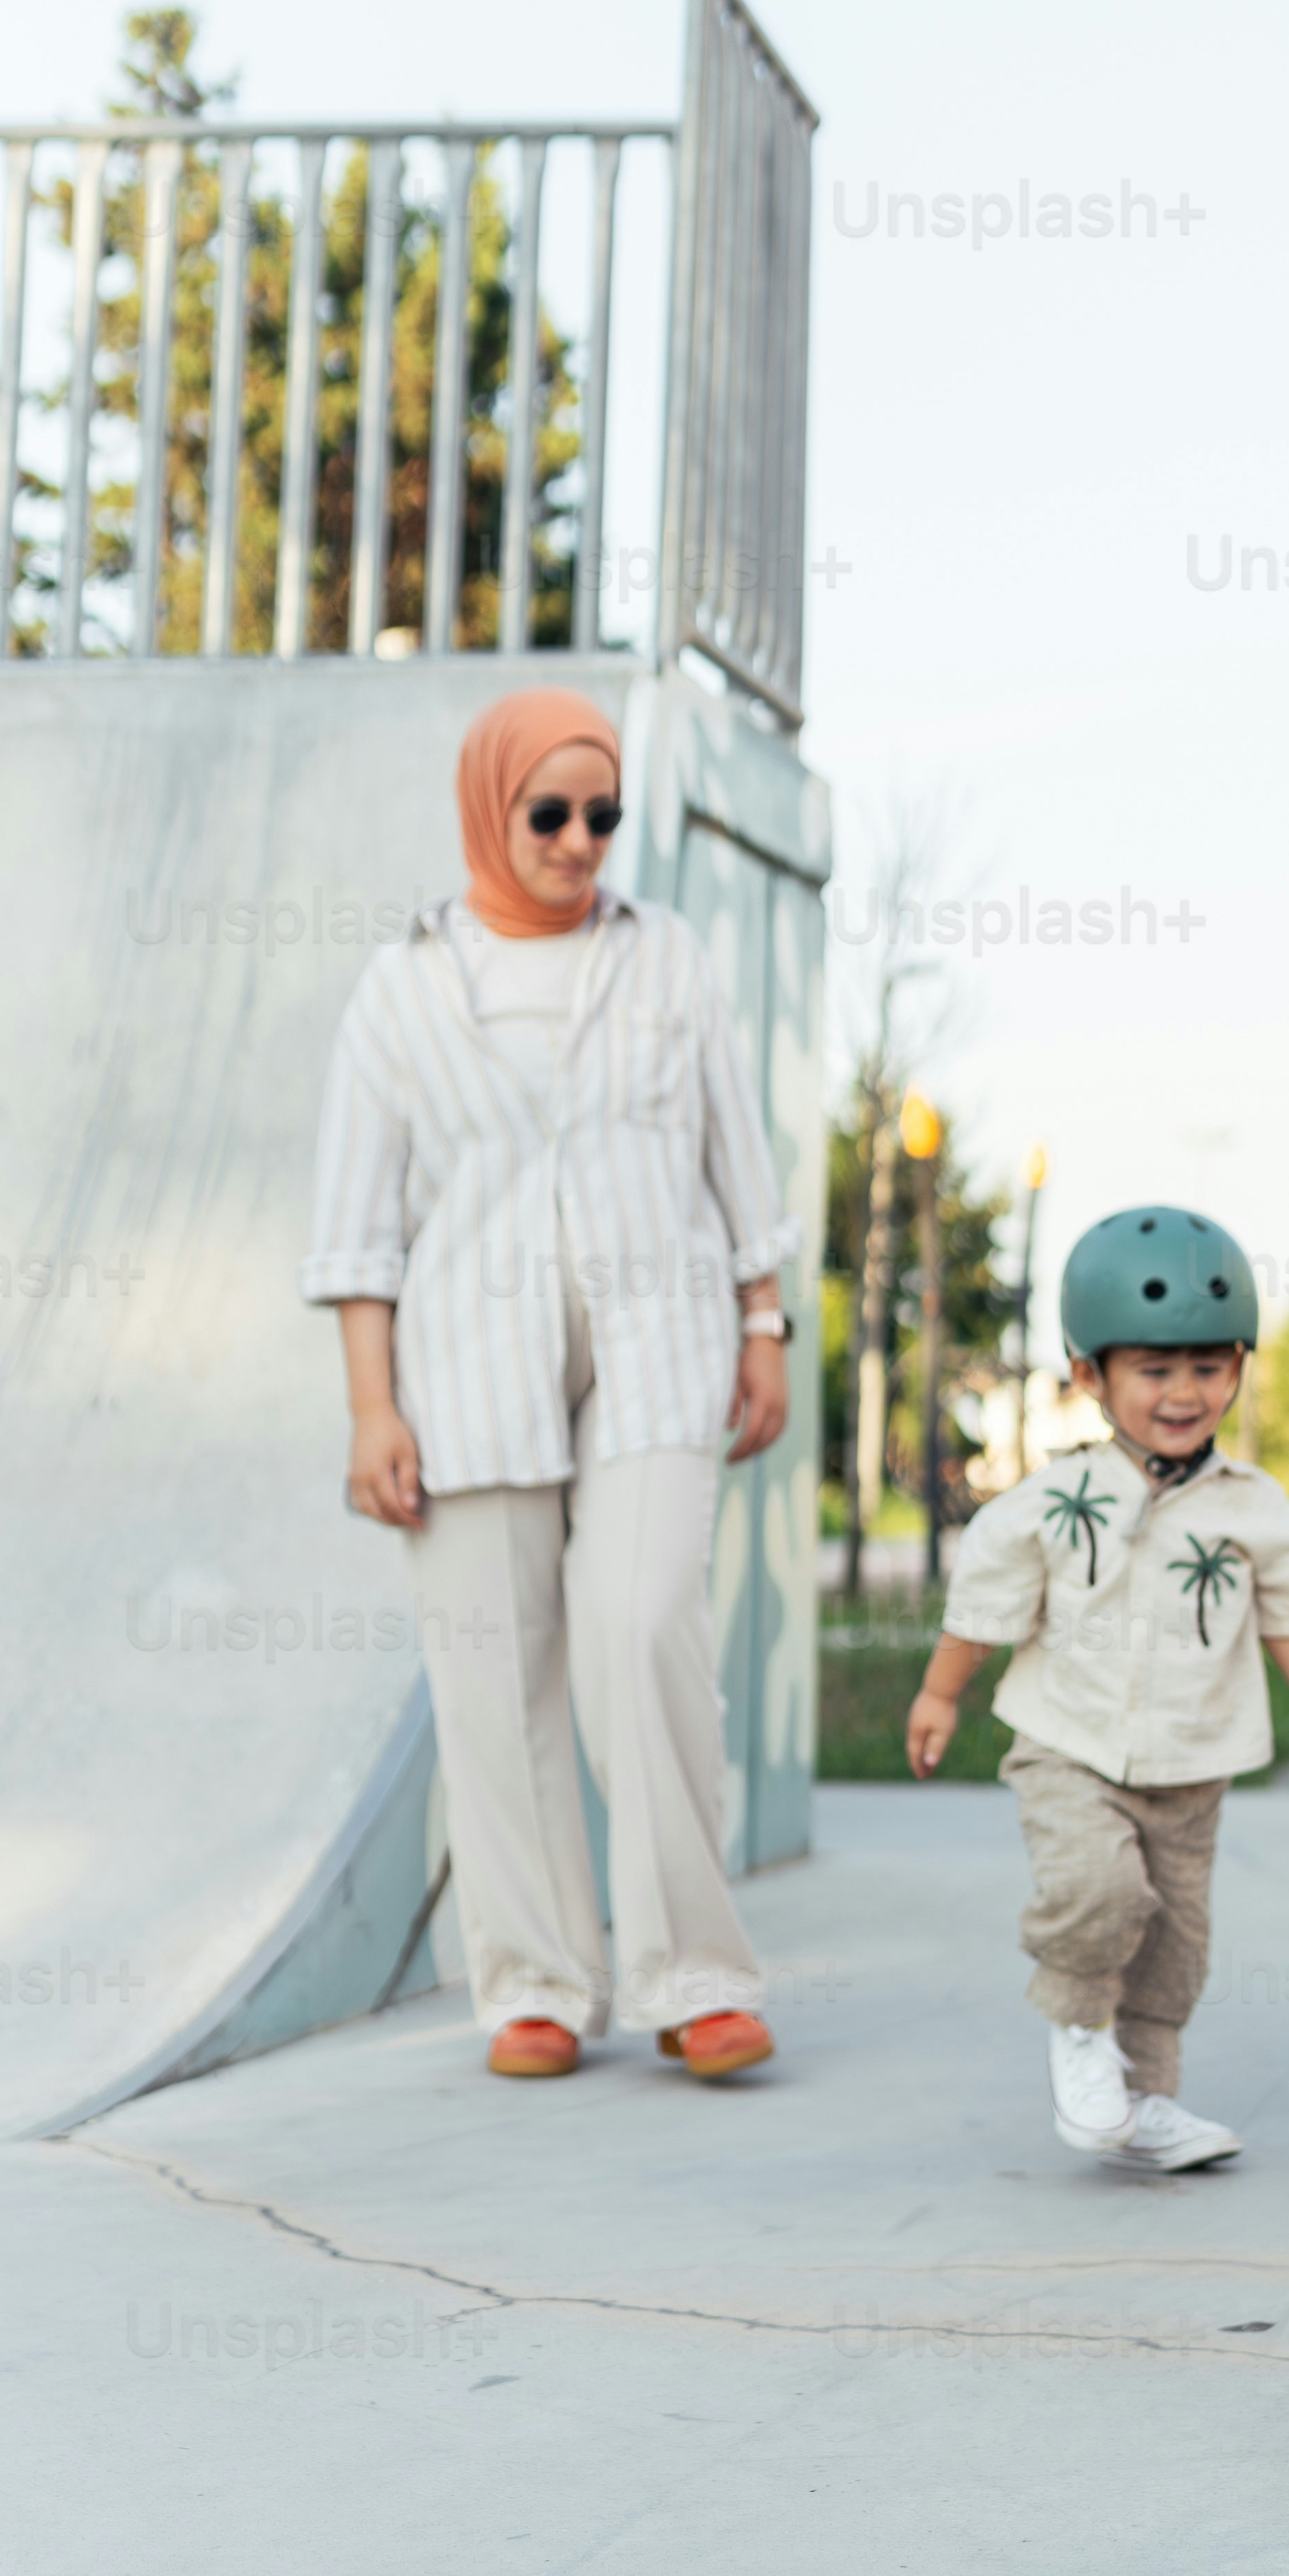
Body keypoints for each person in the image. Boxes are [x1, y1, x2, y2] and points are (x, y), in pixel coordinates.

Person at [303, 689, 796, 2084]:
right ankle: (533, 1982)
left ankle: (695, 1975)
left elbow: (734, 1147)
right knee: (490, 1664)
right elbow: (359, 1221)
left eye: (604, 815)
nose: (581, 841)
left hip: (660, 1332)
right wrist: (370, 1405)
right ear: (489, 806)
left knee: (640, 1625)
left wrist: (764, 1320)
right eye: (552, 814)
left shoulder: (669, 958)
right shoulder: (403, 991)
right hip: (463, 1356)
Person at [905, 1206, 1289, 2171]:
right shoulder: (1046, 1503)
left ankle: (1146, 2102)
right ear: (1089, 1375)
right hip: (1066, 1743)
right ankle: (1079, 2031)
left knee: (1174, 1940)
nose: (1183, 1393)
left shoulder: (1259, 1510)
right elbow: (984, 1607)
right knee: (1098, 1891)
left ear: (1240, 1367)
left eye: (1208, 1368)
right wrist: (938, 1694)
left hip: (1192, 1761)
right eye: (1154, 1370)